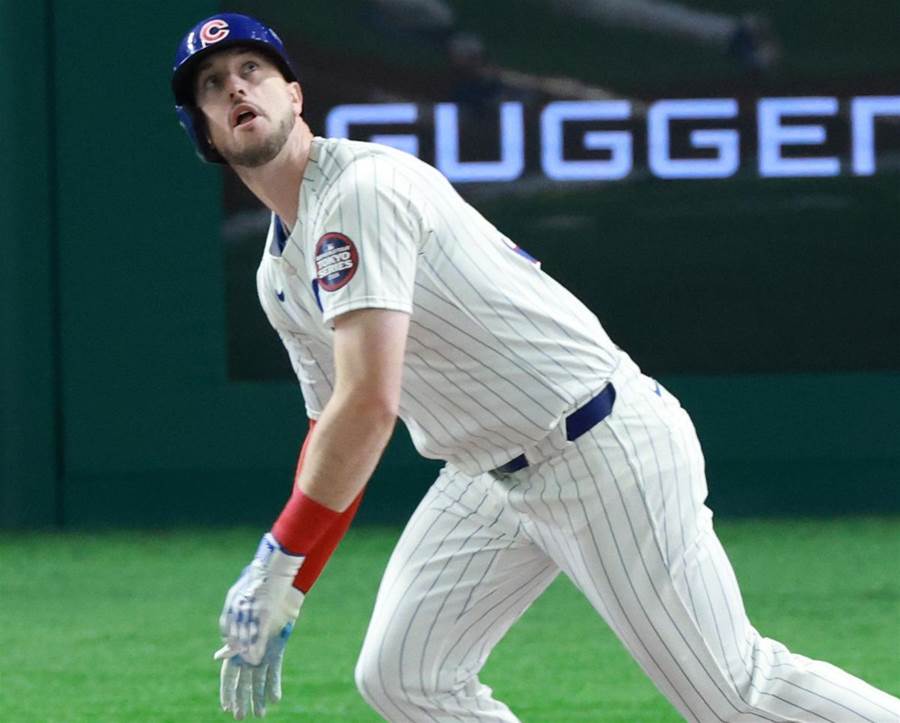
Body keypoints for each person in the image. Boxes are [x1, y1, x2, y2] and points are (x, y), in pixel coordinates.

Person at [171, 14, 899, 722]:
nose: (236, 87)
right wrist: (290, 582)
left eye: (252, 69)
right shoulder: (276, 273)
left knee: (733, 693)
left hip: (597, 444)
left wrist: (280, 559)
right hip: (486, 475)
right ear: (202, 130)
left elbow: (367, 406)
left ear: (295, 94)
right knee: (405, 678)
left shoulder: (360, 192)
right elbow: (332, 433)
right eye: (212, 84)